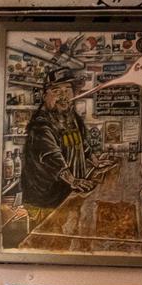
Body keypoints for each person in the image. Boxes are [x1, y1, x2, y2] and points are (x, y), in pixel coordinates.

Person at [20, 67, 117, 224]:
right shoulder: (40, 125)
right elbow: (52, 158)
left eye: (68, 90)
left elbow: (82, 143)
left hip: (67, 194)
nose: (63, 96)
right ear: (45, 96)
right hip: (45, 202)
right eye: (57, 91)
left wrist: (96, 161)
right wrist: (73, 181)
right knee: (45, 242)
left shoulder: (71, 117)